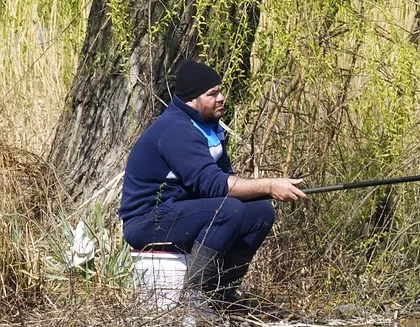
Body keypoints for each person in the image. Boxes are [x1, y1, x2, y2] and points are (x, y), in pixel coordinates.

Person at [119, 60, 306, 310]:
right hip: (147, 221)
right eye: (212, 94)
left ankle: (223, 293)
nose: (221, 98)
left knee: (260, 211)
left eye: (220, 90)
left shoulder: (208, 125)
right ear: (190, 100)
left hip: (179, 212)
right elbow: (215, 184)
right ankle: (195, 300)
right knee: (227, 210)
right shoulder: (176, 130)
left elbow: (224, 178)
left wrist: (266, 193)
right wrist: (270, 185)